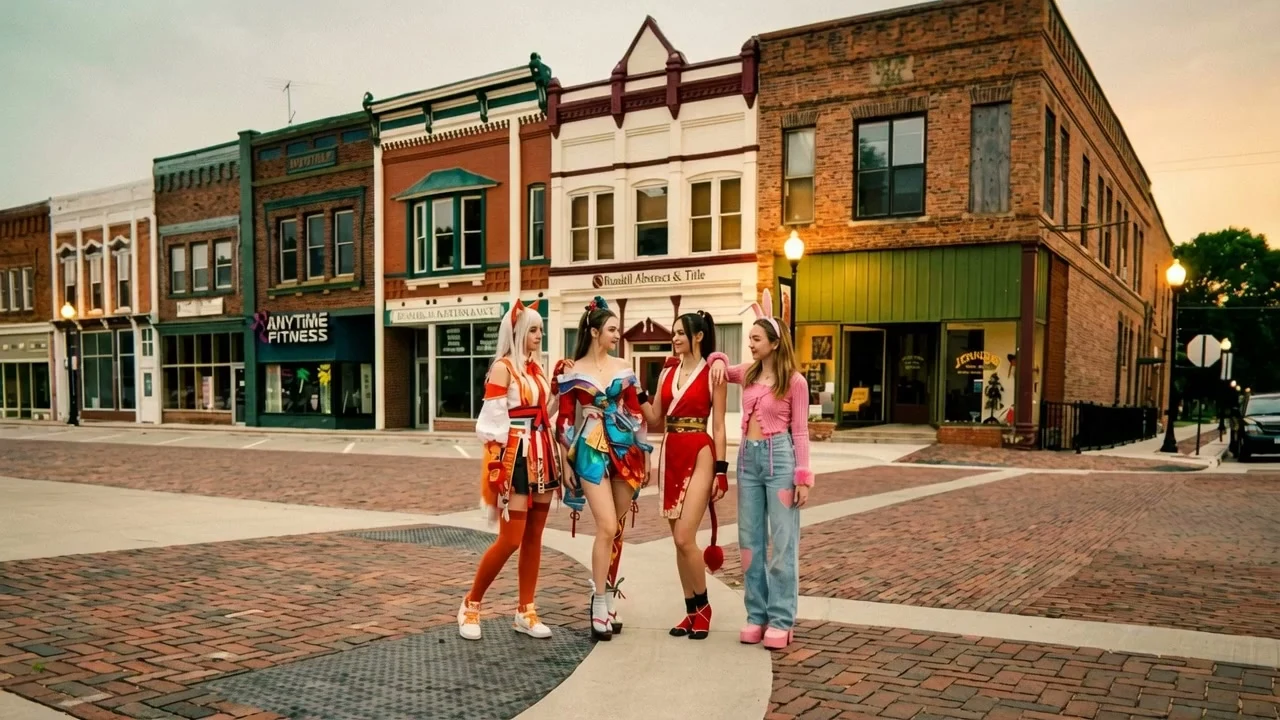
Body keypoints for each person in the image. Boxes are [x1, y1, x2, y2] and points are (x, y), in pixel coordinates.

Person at [709, 289, 812, 650]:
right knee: (750, 542)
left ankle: (782, 619)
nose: (750, 344)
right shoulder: (749, 375)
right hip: (747, 463)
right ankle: (756, 615)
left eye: (755, 338)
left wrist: (803, 477)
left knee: (783, 544)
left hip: (780, 461)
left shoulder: (795, 382)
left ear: (774, 342)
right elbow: (717, 363)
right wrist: (719, 357)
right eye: (749, 338)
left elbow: (800, 431)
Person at [457, 301, 559, 641]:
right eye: (533, 329)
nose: (538, 336)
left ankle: (525, 610)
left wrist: (558, 383)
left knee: (534, 537)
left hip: (542, 452)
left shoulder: (537, 370)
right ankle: (471, 604)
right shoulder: (503, 368)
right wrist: (496, 469)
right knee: (511, 539)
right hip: (515, 456)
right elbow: (490, 424)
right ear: (516, 332)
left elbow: (544, 412)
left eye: (540, 330)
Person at [555, 296, 652, 641]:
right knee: (606, 525)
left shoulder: (624, 366)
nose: (617, 334)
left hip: (626, 450)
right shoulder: (571, 370)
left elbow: (637, 414)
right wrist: (565, 459)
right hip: (591, 451)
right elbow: (565, 420)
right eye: (611, 329)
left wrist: (648, 455)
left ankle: (610, 594)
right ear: (595, 331)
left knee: (618, 528)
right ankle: (598, 601)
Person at [634, 311, 729, 640]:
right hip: (671, 449)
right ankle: (690, 611)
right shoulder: (667, 373)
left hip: (701, 450)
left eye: (680, 333)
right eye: (673, 333)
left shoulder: (713, 373)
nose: (674, 339)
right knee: (678, 542)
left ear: (698, 337)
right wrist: (637, 393)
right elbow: (655, 416)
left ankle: (704, 608)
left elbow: (718, 425)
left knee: (683, 537)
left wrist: (722, 472)